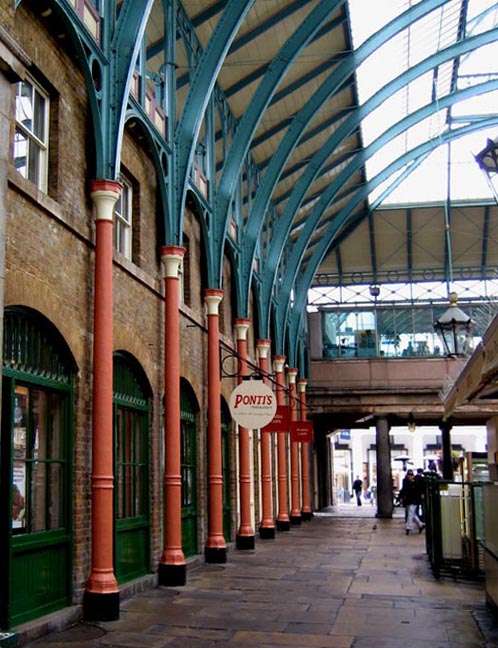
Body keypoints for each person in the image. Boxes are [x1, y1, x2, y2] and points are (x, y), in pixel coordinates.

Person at [399, 469, 425, 535]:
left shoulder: (415, 482)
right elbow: (403, 490)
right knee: (412, 514)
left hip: (414, 500)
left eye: (411, 476)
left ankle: (409, 527)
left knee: (410, 513)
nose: (410, 477)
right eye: (409, 476)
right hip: (409, 500)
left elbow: (418, 491)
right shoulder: (406, 482)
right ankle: (420, 524)